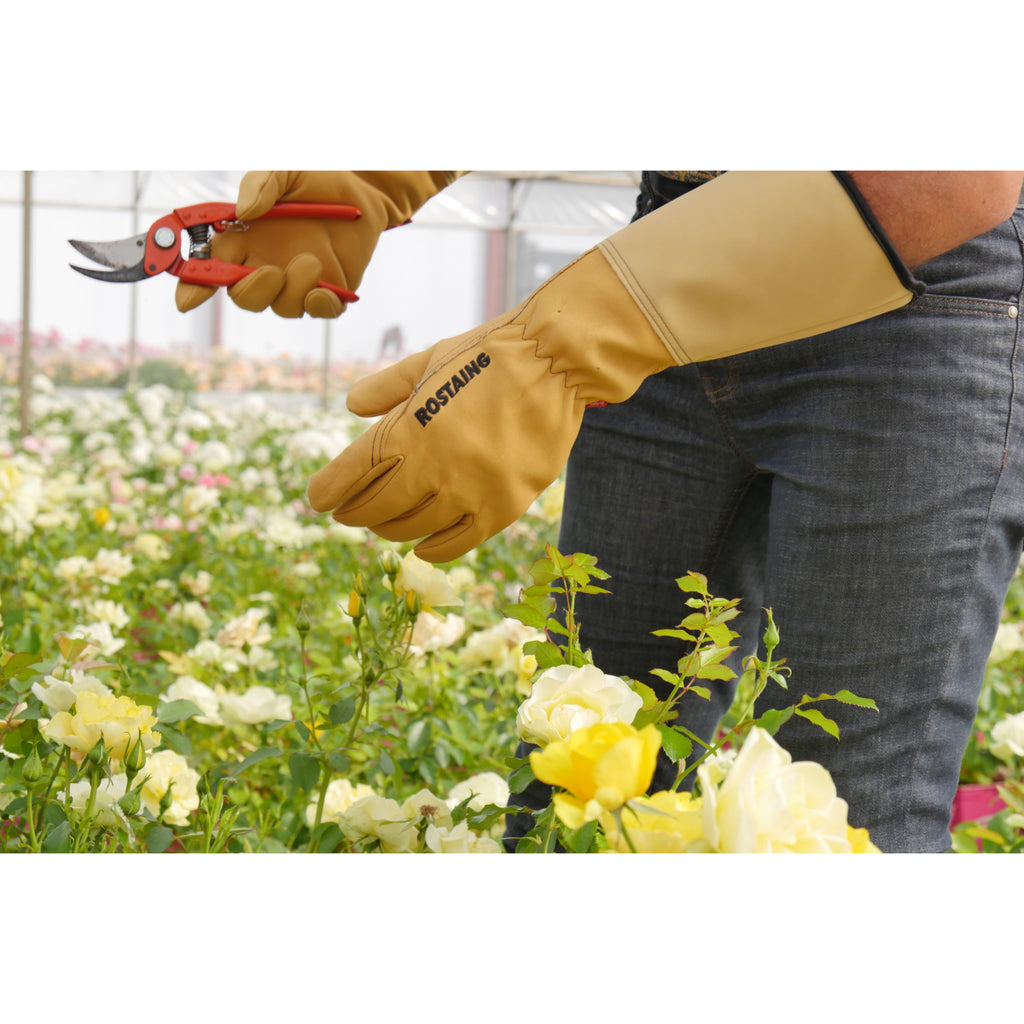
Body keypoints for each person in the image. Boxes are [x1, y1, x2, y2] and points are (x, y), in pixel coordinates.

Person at [177, 169, 1024, 852]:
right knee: (577, 771)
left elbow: (951, 176)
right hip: (676, 243)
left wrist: (561, 346)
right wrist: (374, 170)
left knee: (848, 815)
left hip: (912, 282)